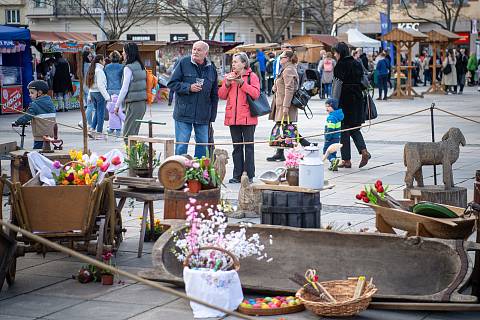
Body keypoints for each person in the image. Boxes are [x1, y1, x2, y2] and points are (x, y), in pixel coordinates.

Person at [168, 41, 218, 158]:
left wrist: (212, 116)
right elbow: (172, 83)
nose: (195, 52)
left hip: (203, 115)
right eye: (194, 49)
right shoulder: (183, 62)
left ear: (206, 53)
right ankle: (180, 173)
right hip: (183, 113)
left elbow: (214, 94)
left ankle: (199, 173)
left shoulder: (211, 68)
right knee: (181, 146)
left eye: (199, 50)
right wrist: (188, 87)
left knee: (203, 146)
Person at [218, 52, 260, 183]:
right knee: (236, 147)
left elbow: (255, 94)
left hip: (248, 118)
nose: (233, 64)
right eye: (233, 62)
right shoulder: (229, 77)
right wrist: (227, 84)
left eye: (236, 62)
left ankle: (248, 175)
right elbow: (222, 95)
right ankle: (237, 175)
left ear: (244, 63)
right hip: (233, 118)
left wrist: (242, 83)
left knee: (248, 147)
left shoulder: (251, 76)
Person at [333, 42, 371, 169]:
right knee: (354, 128)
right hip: (357, 99)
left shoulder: (340, 65)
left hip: (345, 100)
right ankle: (364, 151)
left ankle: (346, 160)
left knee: (344, 130)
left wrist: (334, 102)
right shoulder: (357, 63)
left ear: (340, 53)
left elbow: (337, 86)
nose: (334, 55)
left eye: (335, 52)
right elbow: (365, 82)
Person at [267, 50, 299, 162]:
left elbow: (289, 88)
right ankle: (279, 153)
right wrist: (275, 87)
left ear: (288, 59)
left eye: (282, 57)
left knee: (285, 127)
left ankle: (304, 146)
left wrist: (286, 106)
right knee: (284, 127)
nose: (280, 59)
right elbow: (282, 84)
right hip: (281, 103)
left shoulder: (289, 70)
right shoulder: (285, 69)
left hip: (285, 104)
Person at [115, 43, 147, 143]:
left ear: (128, 53)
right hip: (142, 104)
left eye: (124, 51)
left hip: (134, 104)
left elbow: (124, 89)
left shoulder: (128, 68)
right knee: (133, 135)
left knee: (127, 136)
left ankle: (140, 156)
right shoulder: (141, 65)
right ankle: (147, 154)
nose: (122, 53)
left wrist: (117, 105)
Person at [13, 81, 56, 149]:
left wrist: (17, 122)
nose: (30, 95)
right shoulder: (51, 103)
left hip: (40, 135)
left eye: (32, 93)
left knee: (37, 153)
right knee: (46, 150)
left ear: (39, 93)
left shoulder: (34, 105)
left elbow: (27, 116)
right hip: (49, 134)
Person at [86, 54, 110, 139]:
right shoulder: (99, 71)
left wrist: (89, 96)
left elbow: (90, 84)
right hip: (99, 93)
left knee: (97, 111)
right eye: (103, 60)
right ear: (100, 61)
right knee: (101, 113)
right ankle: (99, 132)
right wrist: (107, 97)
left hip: (92, 93)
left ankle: (92, 129)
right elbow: (101, 85)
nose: (104, 62)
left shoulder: (92, 69)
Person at [323, 98, 344, 171]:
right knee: (333, 151)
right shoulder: (338, 116)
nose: (326, 108)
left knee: (326, 151)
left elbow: (330, 129)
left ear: (334, 107)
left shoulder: (331, 117)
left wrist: (327, 137)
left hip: (330, 138)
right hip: (336, 137)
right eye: (326, 106)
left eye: (328, 106)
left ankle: (333, 161)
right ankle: (333, 165)